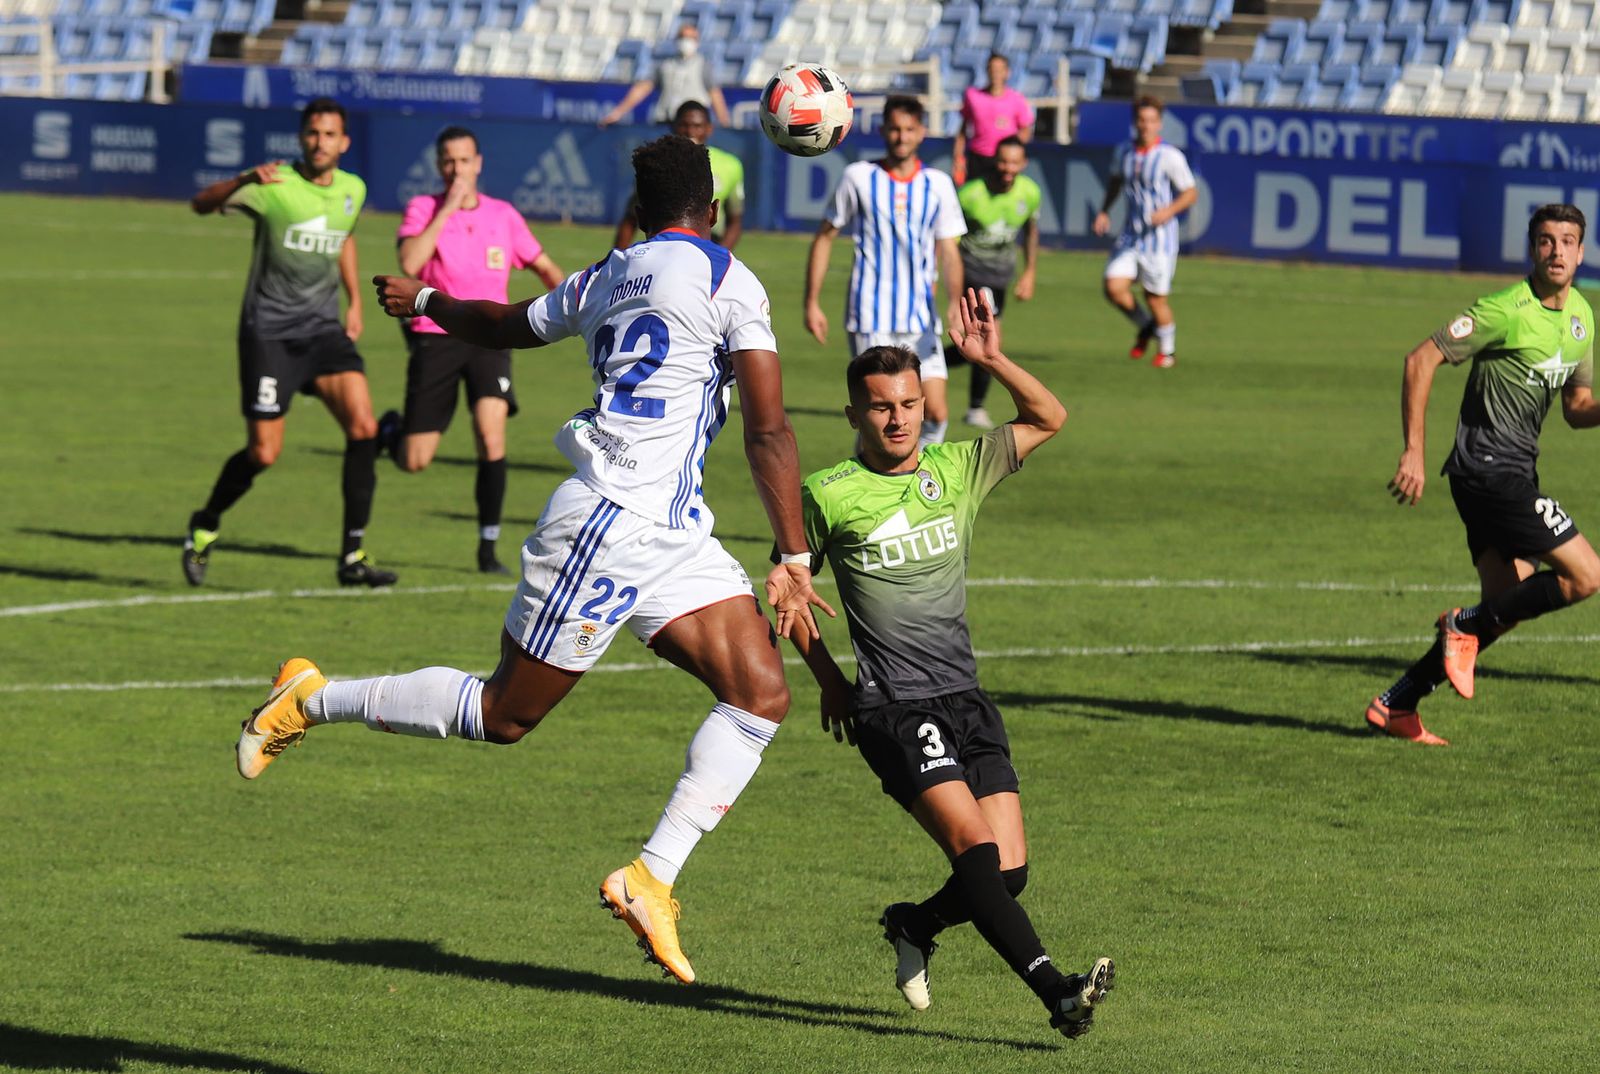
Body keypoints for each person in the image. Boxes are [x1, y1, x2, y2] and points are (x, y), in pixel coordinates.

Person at [235, 135, 834, 988]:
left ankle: (651, 877)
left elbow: (508, 322)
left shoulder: (610, 272)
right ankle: (312, 697)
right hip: (612, 521)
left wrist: (431, 299)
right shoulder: (727, 279)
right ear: (711, 205)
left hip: (671, 529)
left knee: (760, 695)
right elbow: (768, 426)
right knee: (504, 714)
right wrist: (794, 553)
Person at [784, 291, 1113, 1039]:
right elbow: (790, 592)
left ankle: (913, 922)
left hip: (966, 695)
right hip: (895, 709)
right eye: (878, 407)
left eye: (906, 403)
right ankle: (1057, 992)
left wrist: (990, 358)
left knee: (1008, 874)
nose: (896, 417)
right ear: (853, 416)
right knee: (974, 849)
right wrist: (831, 681)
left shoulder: (957, 469)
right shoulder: (828, 495)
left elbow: (1049, 419)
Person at [1367, 203, 1600, 746]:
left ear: (1583, 252)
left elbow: (1577, 406)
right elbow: (1419, 359)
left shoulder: (1583, 317)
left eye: (1568, 241)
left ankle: (1396, 703)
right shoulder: (1503, 310)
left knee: (1506, 605)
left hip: (1513, 472)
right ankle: (1462, 623)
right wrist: (1413, 452)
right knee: (1585, 576)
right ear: (1532, 249)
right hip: (1489, 470)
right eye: (1546, 241)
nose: (1557, 251)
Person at [184, 97, 395, 588]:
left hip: (322, 332)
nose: (320, 142)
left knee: (363, 429)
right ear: (302, 138)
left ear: (343, 142)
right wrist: (242, 181)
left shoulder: (352, 189)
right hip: (270, 335)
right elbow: (200, 204)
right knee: (264, 453)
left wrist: (355, 302)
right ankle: (205, 522)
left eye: (329, 134)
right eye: (312, 133)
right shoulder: (273, 185)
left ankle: (352, 556)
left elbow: (343, 236)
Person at [378, 126, 566, 575]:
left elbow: (543, 266)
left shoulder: (503, 215)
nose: (456, 169)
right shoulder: (423, 209)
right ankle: (389, 435)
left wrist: (582, 309)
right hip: (434, 334)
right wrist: (445, 210)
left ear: (478, 163)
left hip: (490, 336)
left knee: (490, 434)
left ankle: (487, 549)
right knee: (415, 459)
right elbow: (408, 263)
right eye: (447, 161)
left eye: (463, 161)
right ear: (438, 164)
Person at [804, 95, 966, 446]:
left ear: (922, 132)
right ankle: (879, 488)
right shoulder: (858, 177)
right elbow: (825, 237)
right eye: (894, 129)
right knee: (880, 415)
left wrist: (954, 304)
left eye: (909, 129)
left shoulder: (938, 184)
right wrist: (812, 302)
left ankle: (915, 484)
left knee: (935, 413)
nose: (901, 137)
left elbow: (950, 251)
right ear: (882, 131)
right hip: (870, 317)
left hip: (921, 319)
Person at [1092, 95, 1196, 370]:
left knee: (1154, 298)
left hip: (1159, 241)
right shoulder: (1123, 152)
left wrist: (1168, 211)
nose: (1146, 125)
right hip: (1130, 236)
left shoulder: (1169, 156)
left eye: (1151, 120)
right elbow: (1115, 181)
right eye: (1141, 120)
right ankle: (1147, 326)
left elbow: (1190, 192)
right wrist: (1104, 210)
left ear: (1159, 124)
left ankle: (1168, 352)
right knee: (1113, 287)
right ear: (1135, 122)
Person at [944, 135, 1039, 430]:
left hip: (1000, 276)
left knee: (980, 344)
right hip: (972, 273)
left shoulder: (1030, 192)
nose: (1007, 168)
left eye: (1014, 162)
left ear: (1023, 163)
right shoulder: (971, 194)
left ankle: (928, 365)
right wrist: (952, 287)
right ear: (994, 161)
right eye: (1003, 161)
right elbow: (949, 242)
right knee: (989, 341)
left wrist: (1030, 271)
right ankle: (975, 408)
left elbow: (1031, 231)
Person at [612, 101, 744, 251]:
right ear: (674, 127)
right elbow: (631, 217)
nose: (690, 132)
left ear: (709, 129)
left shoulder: (730, 165)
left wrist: (719, 255)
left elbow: (735, 221)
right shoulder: (656, 164)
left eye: (697, 126)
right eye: (684, 125)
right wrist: (617, 259)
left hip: (710, 244)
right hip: (663, 246)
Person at [599, 23, 730, 128]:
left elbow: (715, 95)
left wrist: (724, 123)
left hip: (691, 126)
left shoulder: (703, 66)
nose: (686, 41)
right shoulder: (665, 65)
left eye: (691, 38)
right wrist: (618, 113)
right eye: (683, 37)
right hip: (665, 122)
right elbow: (643, 88)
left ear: (697, 42)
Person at [953, 53, 1035, 186]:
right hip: (978, 159)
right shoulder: (973, 96)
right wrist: (958, 158)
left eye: (999, 69)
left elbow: (1026, 130)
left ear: (1007, 73)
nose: (995, 73)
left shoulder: (1017, 99)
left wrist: (1012, 155)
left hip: (1003, 163)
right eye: (992, 69)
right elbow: (962, 131)